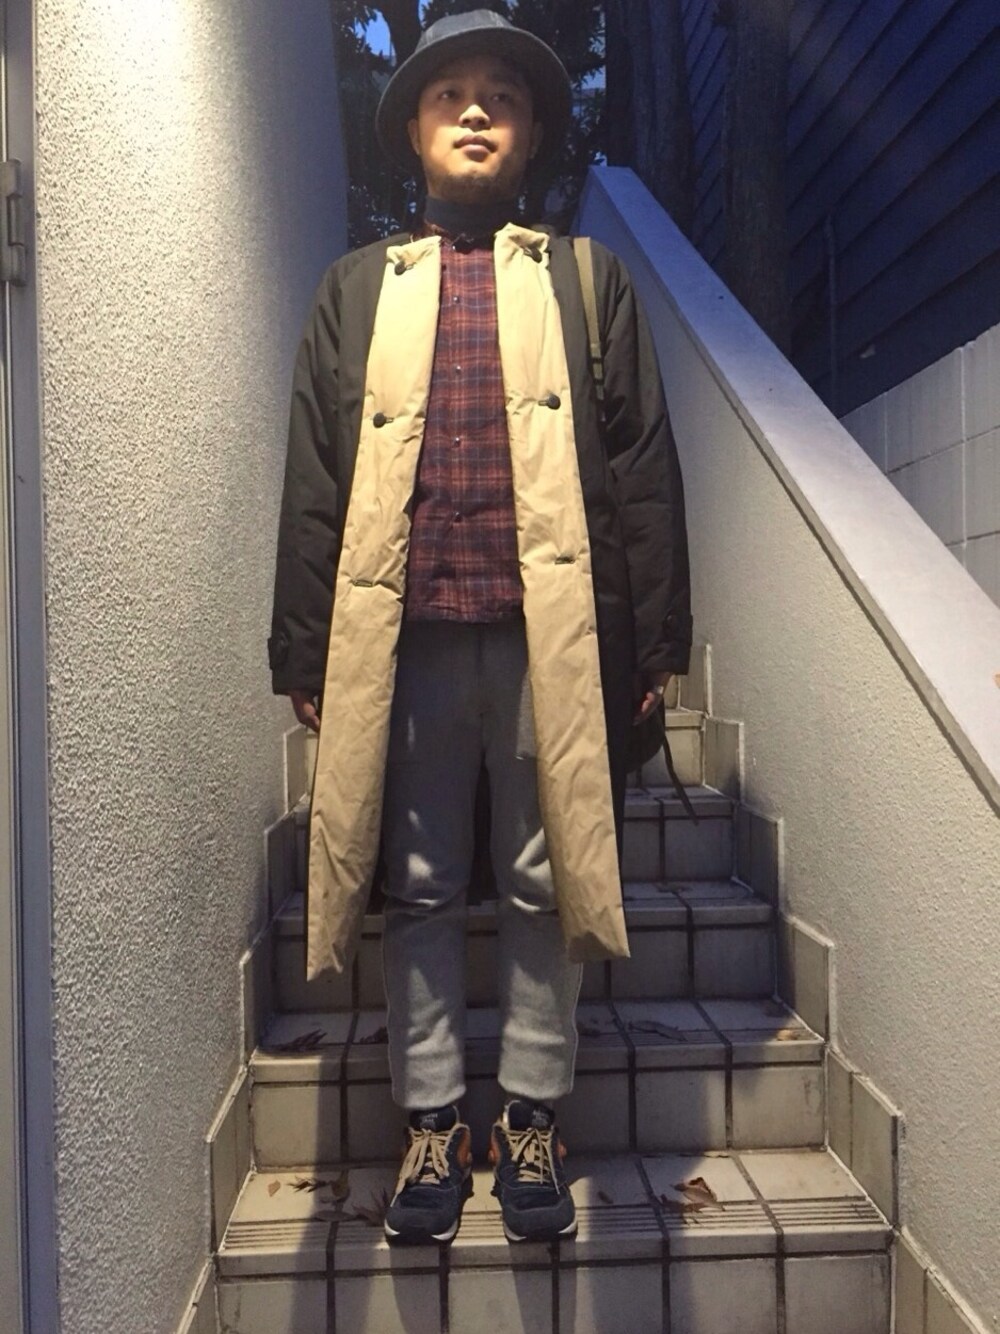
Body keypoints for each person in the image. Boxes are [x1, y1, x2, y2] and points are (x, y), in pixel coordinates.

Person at [268, 10, 691, 1248]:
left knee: (542, 876)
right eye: (447, 93)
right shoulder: (357, 289)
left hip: (548, 638)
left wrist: (656, 642)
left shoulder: (586, 280)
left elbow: (643, 467)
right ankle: (431, 1119)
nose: (472, 111)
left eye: (499, 96)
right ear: (410, 129)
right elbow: (314, 476)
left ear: (531, 133)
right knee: (412, 884)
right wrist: (302, 645)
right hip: (400, 641)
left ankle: (535, 1115)